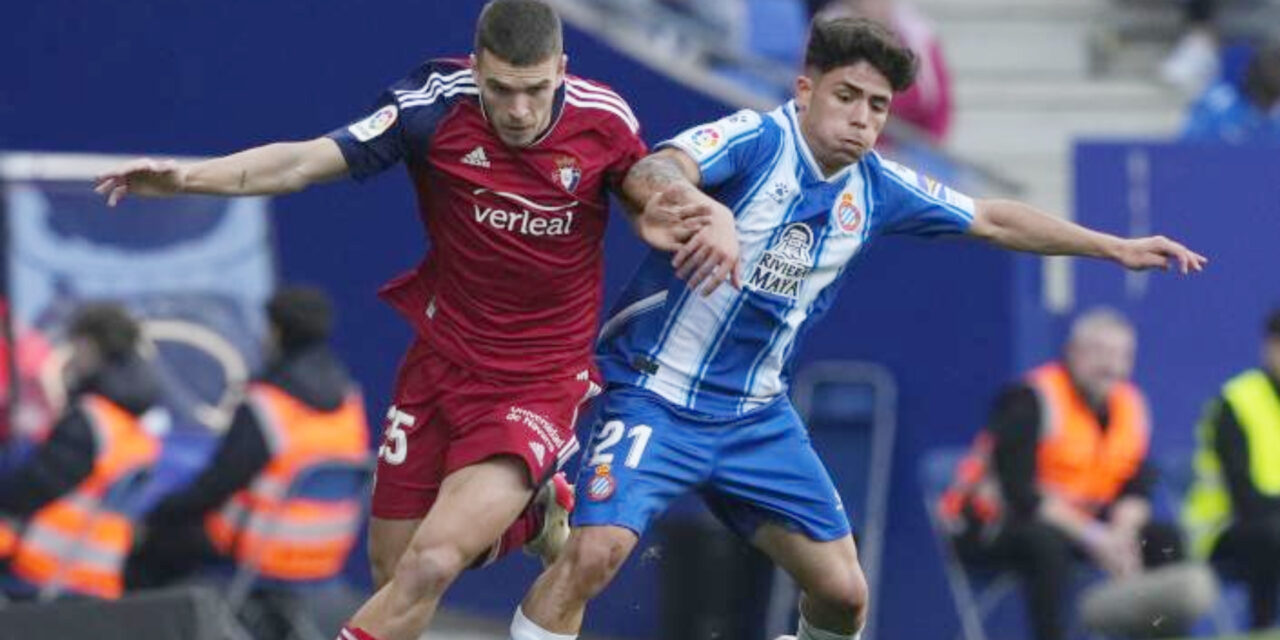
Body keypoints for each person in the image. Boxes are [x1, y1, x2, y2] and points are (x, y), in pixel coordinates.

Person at [507, 17, 1206, 640]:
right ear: (805, 88)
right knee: (594, 557)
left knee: (844, 595)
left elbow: (993, 218)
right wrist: (699, 206)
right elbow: (660, 165)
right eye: (847, 97)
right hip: (656, 395)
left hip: (754, 418)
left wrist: (1113, 245)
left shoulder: (876, 186)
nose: (862, 119)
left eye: (877, 106)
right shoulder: (756, 139)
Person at [92, 2, 737, 638]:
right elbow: (302, 161)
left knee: (431, 564)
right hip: (441, 363)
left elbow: (648, 179)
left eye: (535, 90)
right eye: (500, 90)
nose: (517, 110)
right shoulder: (432, 104)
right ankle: (534, 521)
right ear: (476, 66)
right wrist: (187, 180)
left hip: (539, 381)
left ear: (562, 69)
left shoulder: (602, 120)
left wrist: (675, 207)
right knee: (394, 569)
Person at [942, 309, 1214, 640]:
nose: (1110, 365)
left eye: (1120, 355)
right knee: (1043, 542)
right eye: (1098, 352)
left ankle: (1163, 633)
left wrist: (1122, 531)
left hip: (1083, 528)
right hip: (994, 527)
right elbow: (1018, 492)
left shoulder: (1130, 405)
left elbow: (1140, 479)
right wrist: (1094, 536)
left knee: (1162, 538)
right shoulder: (1030, 398)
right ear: (1072, 352)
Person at [124, 286, 370, 592]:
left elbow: (215, 486)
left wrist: (155, 514)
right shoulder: (349, 398)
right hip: (327, 551)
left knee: (152, 542)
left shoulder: (267, 404)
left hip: (266, 550)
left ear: (277, 333)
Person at [0, 303, 165, 599]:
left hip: (45, 564)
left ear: (90, 346)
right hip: (97, 571)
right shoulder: (131, 424)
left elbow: (30, 488)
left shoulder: (88, 421)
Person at [1184, 308, 1280, 630]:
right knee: (1269, 535)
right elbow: (1244, 498)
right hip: (1224, 529)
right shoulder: (1236, 402)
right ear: (1270, 347)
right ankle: (1262, 627)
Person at [1181, 41, 1280, 144]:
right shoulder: (1219, 108)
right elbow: (1188, 149)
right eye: (1275, 66)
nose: (1277, 75)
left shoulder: (1274, 117)